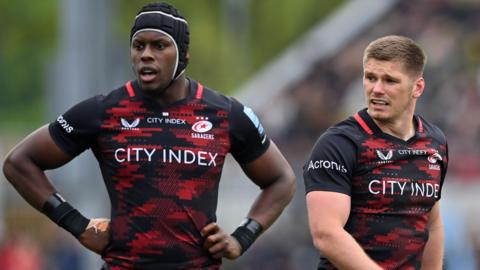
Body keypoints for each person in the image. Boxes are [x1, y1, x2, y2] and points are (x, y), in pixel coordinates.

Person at [2, 2, 296, 269]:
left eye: (159, 45)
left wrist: (242, 237)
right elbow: (19, 163)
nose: (146, 55)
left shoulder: (225, 113)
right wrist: (77, 224)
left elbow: (281, 180)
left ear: (183, 54)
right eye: (138, 45)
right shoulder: (105, 110)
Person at [303, 35, 448, 270]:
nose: (377, 89)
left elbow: (432, 223)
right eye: (371, 78)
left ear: (417, 87)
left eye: (390, 81)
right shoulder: (339, 144)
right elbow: (326, 235)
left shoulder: (435, 142)